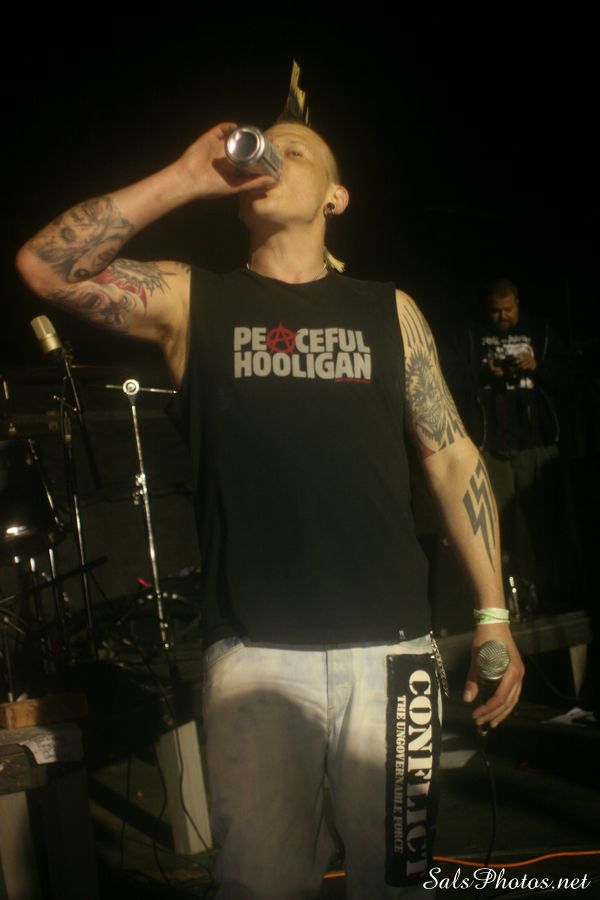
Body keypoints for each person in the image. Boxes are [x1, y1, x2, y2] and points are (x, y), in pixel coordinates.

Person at [16, 113, 524, 898]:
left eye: (297, 151)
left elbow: (452, 454)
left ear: (336, 197)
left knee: (396, 882)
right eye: (266, 149)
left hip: (391, 652)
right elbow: (47, 268)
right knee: (262, 886)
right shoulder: (195, 300)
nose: (274, 161)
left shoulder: (388, 310)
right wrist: (188, 175)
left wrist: (493, 611)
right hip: (255, 657)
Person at [444, 278, 580, 613]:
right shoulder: (471, 335)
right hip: (492, 449)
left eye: (508, 309)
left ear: (518, 302)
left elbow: (570, 380)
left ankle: (553, 599)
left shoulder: (540, 331)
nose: (503, 317)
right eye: (496, 311)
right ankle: (505, 603)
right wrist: (484, 372)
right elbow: (449, 382)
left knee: (546, 526)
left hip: (537, 447)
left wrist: (537, 366)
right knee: (495, 530)